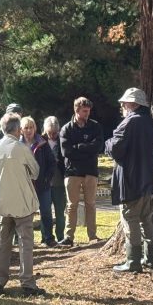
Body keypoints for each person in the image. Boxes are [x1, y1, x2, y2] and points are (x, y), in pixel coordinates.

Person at [106, 88, 153, 274]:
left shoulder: (129, 122)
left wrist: (107, 143)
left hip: (130, 180)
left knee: (130, 219)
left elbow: (115, 148)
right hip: (146, 179)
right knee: (146, 219)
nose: (122, 105)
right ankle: (150, 258)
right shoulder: (150, 123)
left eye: (125, 102)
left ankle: (133, 261)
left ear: (135, 104)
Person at [0, 113, 45, 297]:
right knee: (26, 244)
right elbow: (35, 172)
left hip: (1, 202)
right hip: (21, 202)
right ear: (16, 129)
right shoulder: (21, 148)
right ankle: (27, 282)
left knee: (1, 243)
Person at [60, 97, 103, 246]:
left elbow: (97, 146)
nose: (87, 114)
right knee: (72, 205)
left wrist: (79, 147)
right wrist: (86, 149)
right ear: (76, 110)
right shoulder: (66, 129)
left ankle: (92, 236)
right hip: (72, 172)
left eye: (88, 111)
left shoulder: (95, 127)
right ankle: (68, 237)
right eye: (84, 111)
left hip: (90, 172)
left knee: (91, 204)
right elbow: (67, 151)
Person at [21, 116, 57, 247]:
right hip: (24, 186)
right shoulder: (18, 145)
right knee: (24, 215)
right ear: (21, 130)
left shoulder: (43, 143)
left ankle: (48, 238)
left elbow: (51, 163)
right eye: (26, 128)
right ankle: (25, 240)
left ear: (35, 128)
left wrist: (47, 178)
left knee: (46, 212)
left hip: (42, 185)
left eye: (31, 127)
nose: (29, 130)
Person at [42, 116, 68, 244]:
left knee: (60, 211)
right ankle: (45, 236)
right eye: (49, 133)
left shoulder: (62, 140)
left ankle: (60, 236)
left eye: (54, 133)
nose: (52, 135)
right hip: (45, 182)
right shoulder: (40, 141)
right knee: (45, 211)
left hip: (59, 181)